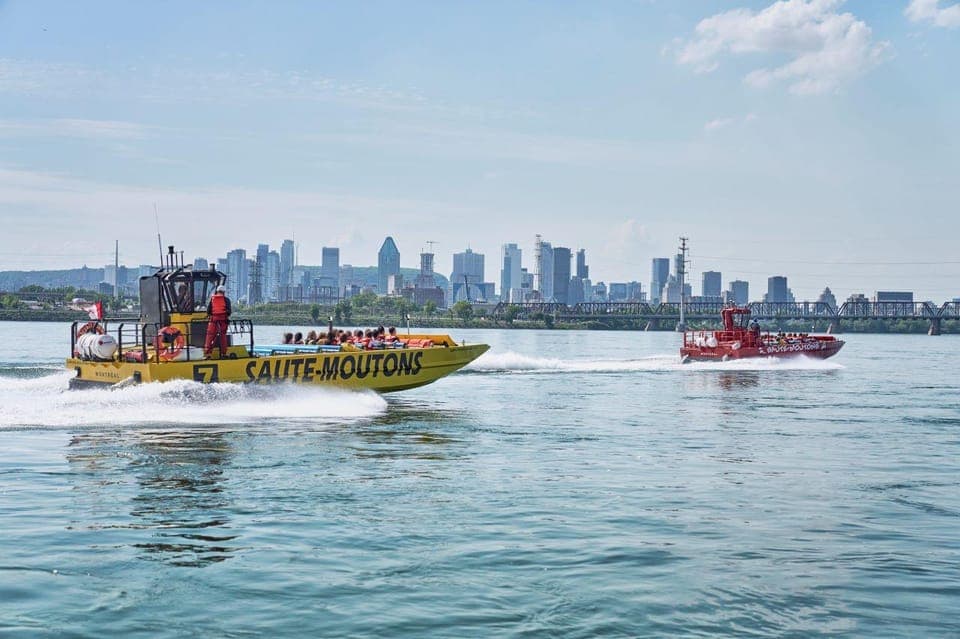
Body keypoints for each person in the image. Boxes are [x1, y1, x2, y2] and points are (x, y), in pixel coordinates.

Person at [204, 285, 232, 358]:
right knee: (223, 336)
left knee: (210, 336)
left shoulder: (212, 299)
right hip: (223, 321)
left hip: (213, 321)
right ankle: (223, 353)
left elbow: (208, 311)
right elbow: (229, 312)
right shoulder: (226, 300)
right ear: (224, 292)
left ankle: (207, 354)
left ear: (217, 291)